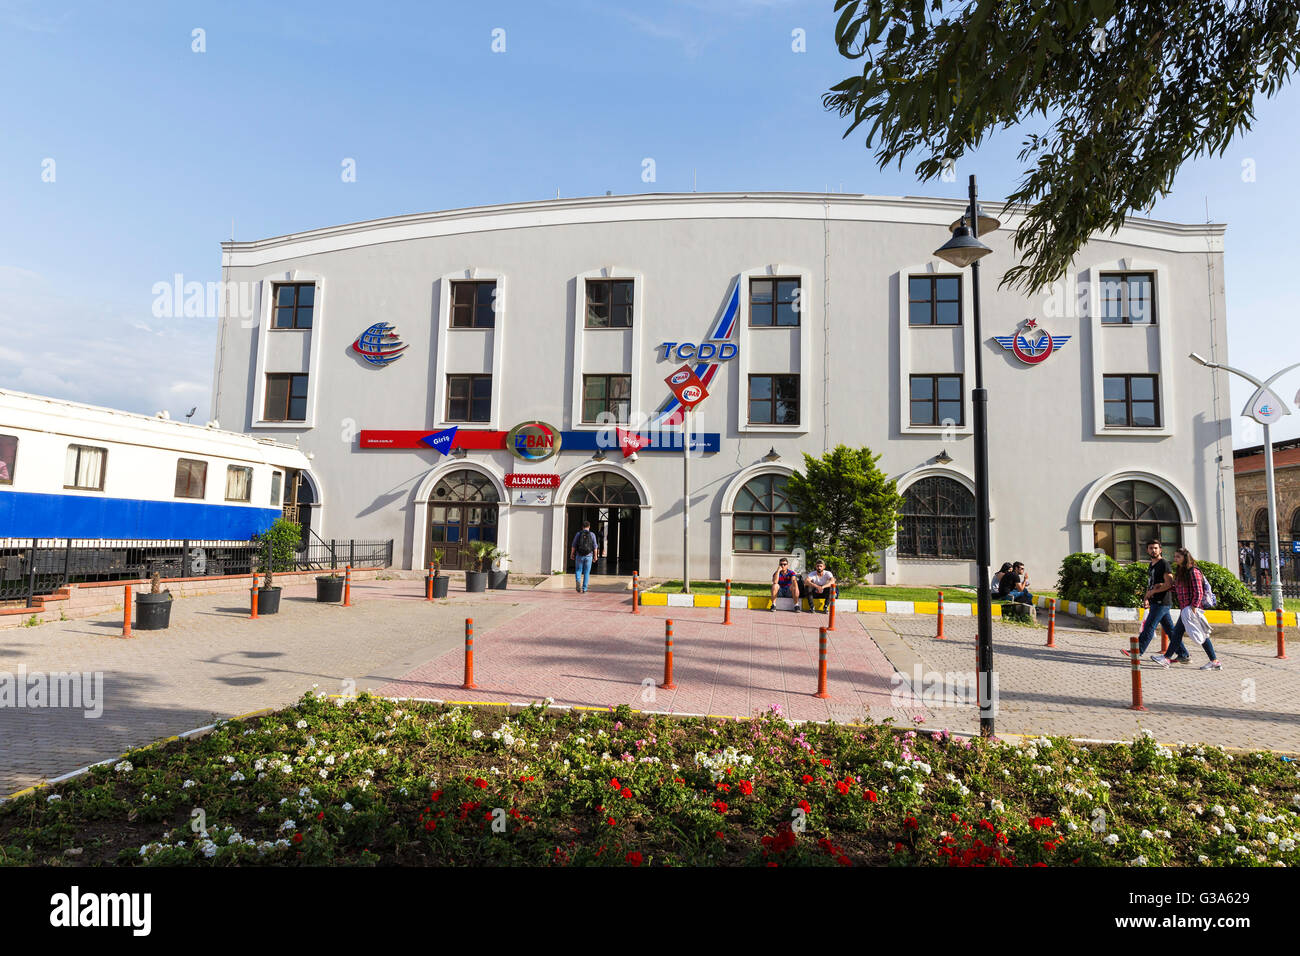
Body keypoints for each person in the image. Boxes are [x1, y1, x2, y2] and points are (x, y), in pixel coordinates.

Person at [1150, 547, 1222, 670]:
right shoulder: (1182, 571)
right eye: (1175, 556)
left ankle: (1167, 658)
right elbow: (1178, 588)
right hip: (1186, 609)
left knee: (1183, 633)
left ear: (1185, 557)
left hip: (1191, 609)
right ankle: (1214, 661)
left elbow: (1198, 591)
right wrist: (1163, 586)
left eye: (1178, 557)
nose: (1175, 559)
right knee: (1180, 633)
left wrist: (1194, 607)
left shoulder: (1193, 571)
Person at [1122, 539, 1183, 662]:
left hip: (1162, 601)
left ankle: (1137, 651)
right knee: (1171, 630)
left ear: (1160, 550)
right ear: (1147, 550)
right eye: (1150, 548)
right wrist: (1146, 598)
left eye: (1155, 548)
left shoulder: (1164, 564)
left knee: (1149, 626)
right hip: (1155, 601)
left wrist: (1153, 592)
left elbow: (1169, 584)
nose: (1153, 550)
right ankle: (1184, 654)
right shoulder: (1151, 565)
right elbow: (1151, 584)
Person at [569, 521, 600, 594]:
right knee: (586, 572)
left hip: (579, 555)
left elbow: (573, 545)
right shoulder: (592, 534)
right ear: (589, 527)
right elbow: (595, 547)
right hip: (589, 556)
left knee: (578, 570)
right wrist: (595, 556)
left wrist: (572, 554)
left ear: (582, 527)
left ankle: (578, 581)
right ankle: (584, 589)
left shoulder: (578, 534)